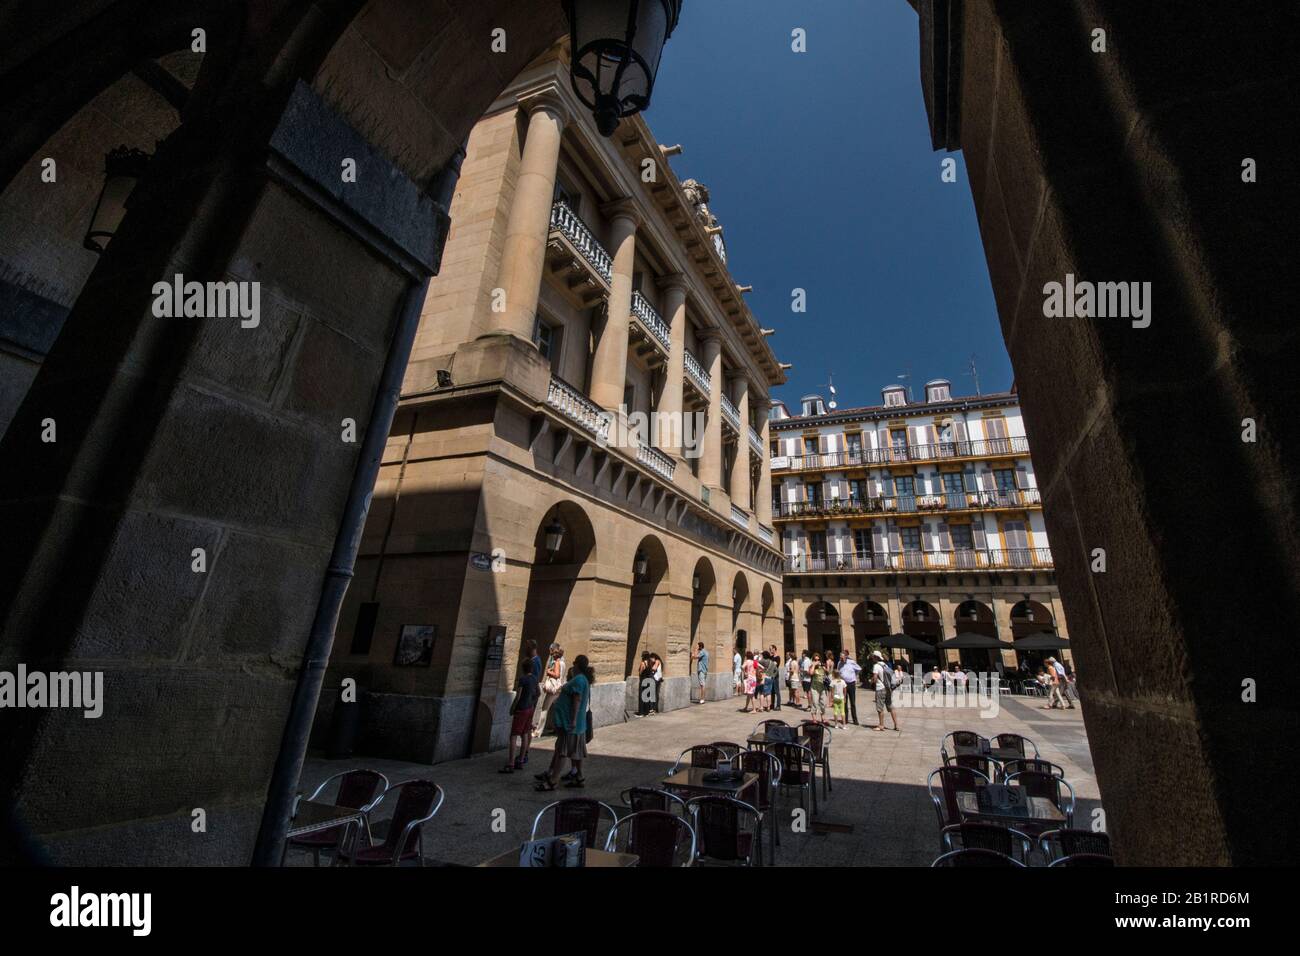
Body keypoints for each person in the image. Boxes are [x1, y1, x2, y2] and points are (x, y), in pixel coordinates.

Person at [535, 655, 594, 790]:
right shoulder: (583, 679)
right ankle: (579, 776)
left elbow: (577, 701)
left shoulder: (579, 679)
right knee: (576, 753)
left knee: (563, 751)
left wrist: (572, 720)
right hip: (577, 724)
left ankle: (553, 781)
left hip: (571, 724)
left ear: (576, 665)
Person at [502, 651, 540, 773]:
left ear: (522, 668)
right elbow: (538, 693)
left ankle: (511, 763)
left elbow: (518, 696)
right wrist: (533, 701)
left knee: (513, 736)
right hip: (530, 708)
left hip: (522, 709)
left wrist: (513, 708)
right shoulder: (534, 679)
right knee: (524, 734)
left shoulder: (522, 679)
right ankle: (521, 760)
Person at [532, 643, 565, 738]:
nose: (550, 653)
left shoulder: (557, 662)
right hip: (559, 689)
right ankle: (555, 728)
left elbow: (557, 675)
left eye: (551, 651)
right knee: (555, 710)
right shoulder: (563, 662)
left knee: (544, 709)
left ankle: (538, 732)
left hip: (553, 690)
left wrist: (548, 672)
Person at [871, 650, 900, 732]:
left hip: (880, 688)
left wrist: (871, 681)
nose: (872, 657)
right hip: (888, 688)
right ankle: (896, 725)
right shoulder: (885, 665)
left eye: (873, 656)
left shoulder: (876, 666)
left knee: (880, 708)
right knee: (891, 707)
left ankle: (881, 725)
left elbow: (875, 678)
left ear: (875, 657)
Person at [839, 649, 862, 725]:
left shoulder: (851, 662)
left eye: (842, 657)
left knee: (852, 702)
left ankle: (855, 720)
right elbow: (839, 672)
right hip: (843, 685)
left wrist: (854, 675)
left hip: (851, 684)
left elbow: (859, 669)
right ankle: (845, 719)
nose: (841, 659)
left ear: (846, 656)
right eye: (840, 657)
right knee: (844, 702)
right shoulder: (839, 663)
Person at [808, 653, 828, 724]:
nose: (817, 661)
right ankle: (814, 719)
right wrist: (813, 665)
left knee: (823, 703)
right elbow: (810, 673)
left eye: (818, 659)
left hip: (822, 687)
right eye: (815, 659)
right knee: (815, 703)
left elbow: (827, 672)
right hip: (814, 687)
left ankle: (823, 718)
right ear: (813, 660)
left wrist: (825, 668)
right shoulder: (811, 666)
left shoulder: (822, 666)